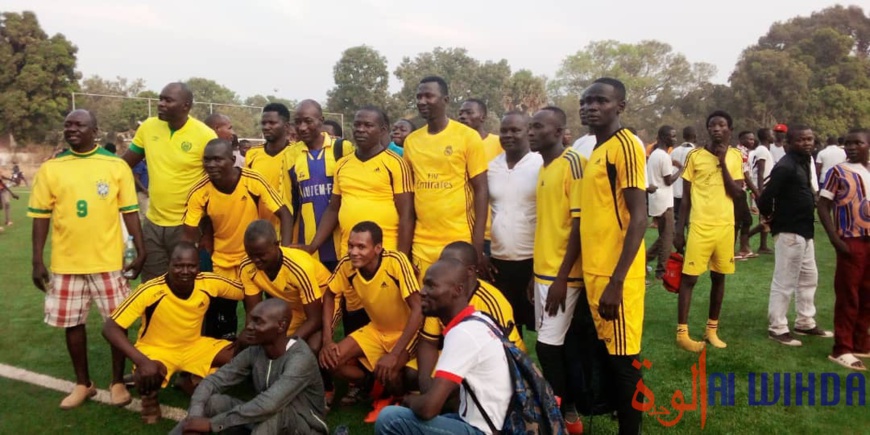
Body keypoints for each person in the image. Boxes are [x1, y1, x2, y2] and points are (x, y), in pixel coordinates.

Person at [28, 109, 145, 409]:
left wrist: (140, 249)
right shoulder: (51, 168)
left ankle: (117, 382)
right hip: (66, 264)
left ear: (95, 130)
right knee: (72, 324)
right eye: (68, 124)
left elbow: (130, 211)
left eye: (79, 124)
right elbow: (41, 216)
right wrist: (37, 260)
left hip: (108, 262)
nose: (72, 129)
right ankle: (83, 384)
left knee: (116, 324)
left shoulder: (115, 166)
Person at [103, 242, 244, 423]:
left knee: (241, 355)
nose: (185, 271)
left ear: (198, 267)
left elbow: (245, 290)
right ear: (169, 264)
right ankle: (150, 399)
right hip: (157, 350)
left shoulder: (209, 282)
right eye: (179, 266)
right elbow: (110, 327)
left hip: (194, 346)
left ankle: (189, 380)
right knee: (147, 371)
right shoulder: (151, 290)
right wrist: (142, 361)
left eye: (191, 266)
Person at [579, 78, 648, 435]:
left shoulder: (627, 146)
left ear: (619, 106)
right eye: (586, 101)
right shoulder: (597, 148)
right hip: (594, 270)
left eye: (600, 101)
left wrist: (617, 282)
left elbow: (639, 217)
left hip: (615, 276)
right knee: (608, 356)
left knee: (625, 361)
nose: (590, 107)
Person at [375, 259, 511, 435]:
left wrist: (408, 400)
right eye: (424, 284)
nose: (422, 292)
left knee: (390, 418)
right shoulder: (479, 319)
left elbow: (429, 409)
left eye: (431, 286)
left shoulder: (463, 333)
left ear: (458, 290)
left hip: (485, 431)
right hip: (486, 422)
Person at [182, 139, 293, 338]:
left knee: (264, 316)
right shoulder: (199, 191)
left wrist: (284, 253)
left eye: (217, 159)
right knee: (223, 321)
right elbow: (188, 235)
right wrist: (191, 263)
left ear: (233, 160)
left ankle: (269, 355)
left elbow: (284, 214)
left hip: (255, 260)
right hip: (222, 262)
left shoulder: (253, 181)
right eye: (207, 160)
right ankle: (227, 357)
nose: (211, 165)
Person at [172, 299, 328, 435]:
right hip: (264, 419)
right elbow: (213, 381)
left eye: (258, 322)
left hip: (305, 427)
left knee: (274, 415)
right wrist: (195, 417)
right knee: (213, 402)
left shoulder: (301, 358)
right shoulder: (255, 350)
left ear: (281, 326)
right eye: (251, 320)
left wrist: (213, 424)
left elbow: (269, 404)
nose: (249, 327)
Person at [320, 222, 422, 420]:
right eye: (350, 246)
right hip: (376, 329)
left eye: (361, 247)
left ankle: (396, 397)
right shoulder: (346, 266)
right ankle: (371, 384)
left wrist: (395, 353)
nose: (353, 252)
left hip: (406, 332)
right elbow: (329, 296)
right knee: (331, 361)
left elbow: (418, 309)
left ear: (377, 248)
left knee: (391, 372)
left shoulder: (396, 262)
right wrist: (327, 340)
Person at [121, 82, 218, 281]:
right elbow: (123, 165)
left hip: (188, 225)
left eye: (168, 100)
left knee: (186, 285)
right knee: (153, 285)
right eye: (160, 99)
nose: (161, 104)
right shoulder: (148, 127)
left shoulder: (205, 135)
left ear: (186, 106)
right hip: (153, 223)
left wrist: (207, 230)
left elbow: (214, 185)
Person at [528, 106, 584, 424]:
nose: (531, 132)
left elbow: (579, 224)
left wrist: (562, 278)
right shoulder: (543, 167)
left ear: (559, 130)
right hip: (543, 272)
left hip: (563, 276)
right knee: (557, 346)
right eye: (530, 127)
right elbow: (548, 224)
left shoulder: (573, 163)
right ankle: (565, 410)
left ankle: (557, 412)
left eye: (538, 127)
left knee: (548, 348)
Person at [403, 76, 488, 281]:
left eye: (429, 96)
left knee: (457, 305)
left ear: (446, 100)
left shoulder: (467, 137)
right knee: (426, 305)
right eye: (419, 97)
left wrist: (477, 245)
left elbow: (481, 190)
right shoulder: (411, 141)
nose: (422, 101)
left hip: (458, 242)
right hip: (422, 243)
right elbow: (409, 195)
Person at [674, 110, 745, 353]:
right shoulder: (694, 156)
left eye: (721, 125)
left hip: (725, 227)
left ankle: (711, 330)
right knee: (689, 278)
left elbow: (737, 193)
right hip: (699, 226)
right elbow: (685, 198)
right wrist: (678, 228)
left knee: (719, 276)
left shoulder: (736, 156)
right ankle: (682, 333)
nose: (716, 129)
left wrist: (722, 161)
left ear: (729, 130)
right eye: (712, 125)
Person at [305, 106, 414, 259]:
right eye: (357, 125)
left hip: (385, 254)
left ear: (382, 130)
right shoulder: (342, 164)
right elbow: (333, 209)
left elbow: (407, 215)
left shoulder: (396, 163)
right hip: (349, 254)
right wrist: (313, 245)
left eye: (368, 125)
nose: (361, 129)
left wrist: (402, 258)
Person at [415, 241, 525, 393]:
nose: (445, 268)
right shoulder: (441, 296)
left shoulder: (492, 301)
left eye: (453, 263)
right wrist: (425, 384)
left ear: (470, 271)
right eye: (443, 262)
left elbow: (505, 355)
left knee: (456, 388)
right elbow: (428, 342)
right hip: (457, 355)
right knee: (412, 375)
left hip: (491, 365)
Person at [758, 125, 832, 346]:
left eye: (810, 139)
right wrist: (772, 218)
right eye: (801, 140)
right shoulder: (785, 166)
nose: (808, 143)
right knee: (785, 280)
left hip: (805, 230)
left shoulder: (804, 161)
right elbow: (765, 197)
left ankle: (805, 321)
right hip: (789, 230)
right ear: (789, 143)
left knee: (809, 277)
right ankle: (777, 327)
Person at [818, 128, 870, 371]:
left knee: (867, 294)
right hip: (850, 240)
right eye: (847, 143)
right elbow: (822, 206)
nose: (850, 147)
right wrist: (835, 240)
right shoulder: (837, 172)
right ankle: (842, 348)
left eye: (857, 143)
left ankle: (861, 342)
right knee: (848, 294)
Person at [285, 100, 355, 270]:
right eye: (298, 122)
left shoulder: (342, 148)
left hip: (343, 243)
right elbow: (287, 205)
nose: (302, 127)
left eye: (308, 121)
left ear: (321, 120)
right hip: (307, 245)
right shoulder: (290, 154)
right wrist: (285, 248)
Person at [488, 111, 541, 334]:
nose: (508, 135)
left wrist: (538, 269)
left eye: (515, 130)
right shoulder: (491, 167)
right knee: (506, 327)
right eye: (504, 130)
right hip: (500, 260)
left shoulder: (540, 164)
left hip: (533, 259)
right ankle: (515, 369)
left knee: (545, 330)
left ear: (528, 132)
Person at [239, 220, 325, 354]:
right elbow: (252, 311)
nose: (256, 260)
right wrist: (251, 334)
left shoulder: (299, 268)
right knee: (269, 339)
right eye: (251, 255)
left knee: (312, 346)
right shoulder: (246, 267)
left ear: (276, 245)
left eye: (261, 255)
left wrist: (288, 344)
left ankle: (316, 374)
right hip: (295, 307)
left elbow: (315, 319)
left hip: (324, 302)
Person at [246, 103, 295, 235]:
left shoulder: (297, 153)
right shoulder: (252, 154)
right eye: (264, 123)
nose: (266, 127)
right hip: (262, 231)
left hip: (291, 230)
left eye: (272, 123)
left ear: (286, 126)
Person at [646, 125, 679, 279]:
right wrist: (682, 170)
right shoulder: (664, 156)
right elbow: (668, 180)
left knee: (666, 234)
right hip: (664, 200)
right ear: (665, 137)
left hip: (656, 198)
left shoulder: (654, 154)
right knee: (667, 237)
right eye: (672, 136)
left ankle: (645, 259)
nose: (675, 139)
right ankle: (661, 271)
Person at [734, 131, 757, 259]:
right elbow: (745, 175)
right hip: (738, 191)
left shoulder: (744, 152)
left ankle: (744, 248)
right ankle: (737, 250)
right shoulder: (740, 153)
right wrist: (755, 191)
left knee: (743, 220)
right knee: (742, 220)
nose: (752, 142)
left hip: (741, 190)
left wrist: (749, 191)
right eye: (749, 139)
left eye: (753, 139)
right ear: (741, 139)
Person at [458, 98, 502, 163]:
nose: (462, 116)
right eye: (460, 113)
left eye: (469, 113)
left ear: (483, 117)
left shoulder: (499, 143)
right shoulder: (454, 144)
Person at [671, 127, 697, 235]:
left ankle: (678, 244)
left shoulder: (674, 151)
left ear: (683, 136)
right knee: (689, 219)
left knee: (678, 218)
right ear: (695, 137)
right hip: (689, 190)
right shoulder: (696, 152)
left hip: (675, 190)